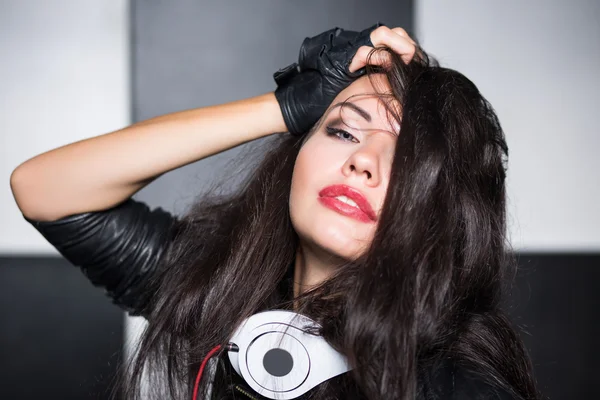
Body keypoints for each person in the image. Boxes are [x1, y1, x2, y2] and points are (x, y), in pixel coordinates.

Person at [10, 23, 541, 400]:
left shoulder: (460, 387)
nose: (362, 161)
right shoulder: (222, 287)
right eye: (342, 130)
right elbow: (44, 189)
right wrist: (284, 106)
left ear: (444, 211)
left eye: (404, 159)